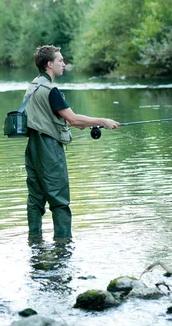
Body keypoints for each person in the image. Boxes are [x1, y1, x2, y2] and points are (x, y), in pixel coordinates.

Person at [24, 45, 119, 241]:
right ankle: (63, 245)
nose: (64, 64)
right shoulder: (52, 90)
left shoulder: (33, 85)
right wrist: (102, 121)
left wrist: (74, 123)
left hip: (32, 147)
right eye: (60, 60)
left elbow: (49, 117)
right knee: (59, 200)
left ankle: (34, 243)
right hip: (49, 149)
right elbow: (73, 119)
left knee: (35, 200)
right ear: (50, 64)